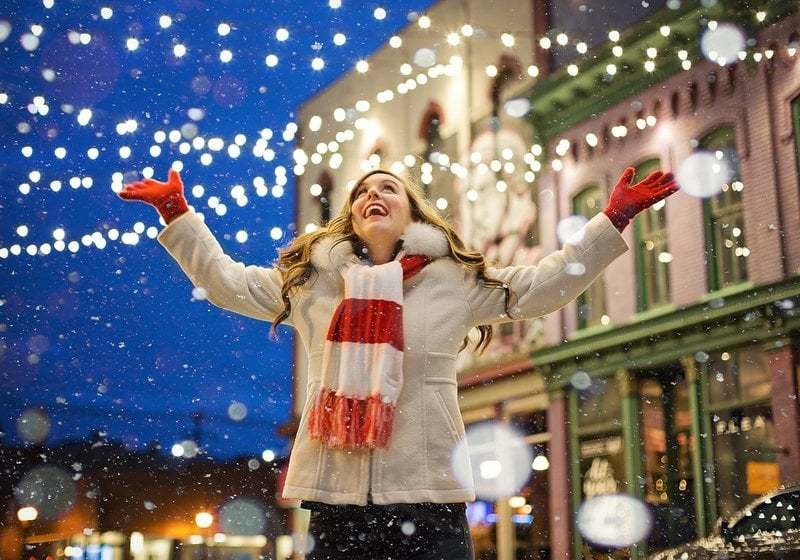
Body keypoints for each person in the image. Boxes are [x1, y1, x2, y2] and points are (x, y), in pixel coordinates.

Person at [119, 166, 679, 559]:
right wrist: (177, 211)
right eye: (362, 192)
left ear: (411, 212)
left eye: (388, 188)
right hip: (339, 500)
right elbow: (226, 284)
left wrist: (612, 221)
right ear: (353, 218)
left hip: (429, 495)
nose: (372, 194)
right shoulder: (315, 284)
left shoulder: (454, 282)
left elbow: (541, 286)